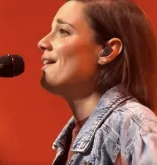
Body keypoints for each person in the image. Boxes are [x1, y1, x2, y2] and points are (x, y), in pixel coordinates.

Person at [37, 0, 157, 164]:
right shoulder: (71, 138)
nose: (42, 43)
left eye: (63, 31)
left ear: (107, 51)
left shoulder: (135, 125)